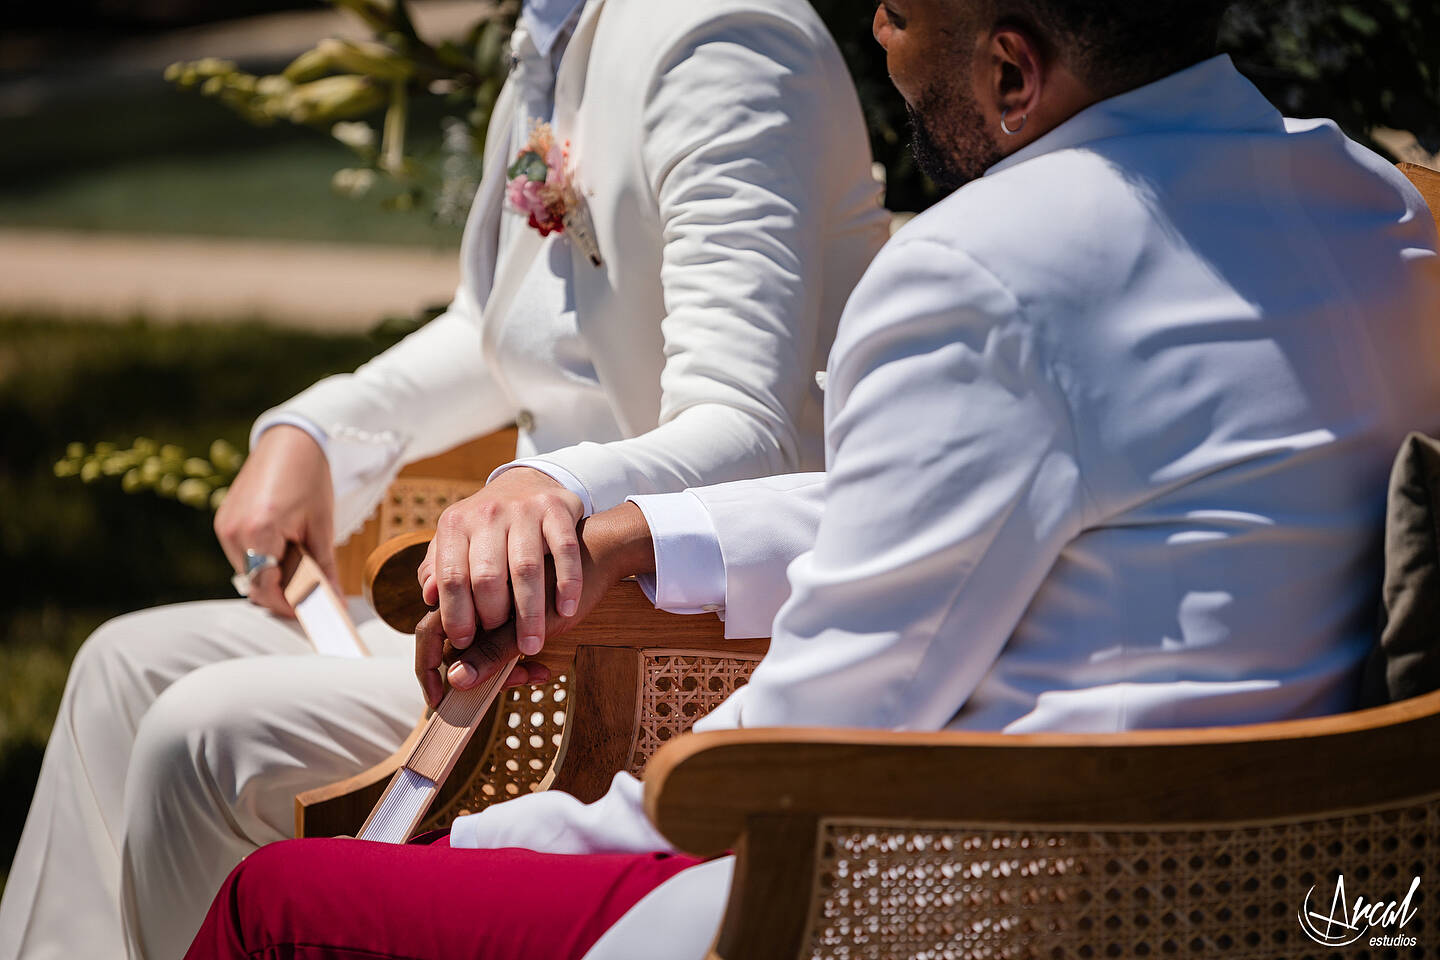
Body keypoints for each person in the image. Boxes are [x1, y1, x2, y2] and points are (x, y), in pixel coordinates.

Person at [181, 0, 1440, 957]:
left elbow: (818, 731)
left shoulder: (982, 269)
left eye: (897, 15)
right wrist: (644, 535)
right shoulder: (1369, 202)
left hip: (957, 896)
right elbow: (1048, 498)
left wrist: (469, 841)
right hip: (1291, 890)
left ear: (1011, 68)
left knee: (278, 901)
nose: (879, 39)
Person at [0, 2, 889, 958]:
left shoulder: (726, 41)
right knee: (117, 669)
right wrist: (319, 431)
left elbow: (749, 427)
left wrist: (543, 488)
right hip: (511, 611)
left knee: (200, 734)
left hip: (653, 644)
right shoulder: (555, 26)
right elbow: (495, 324)